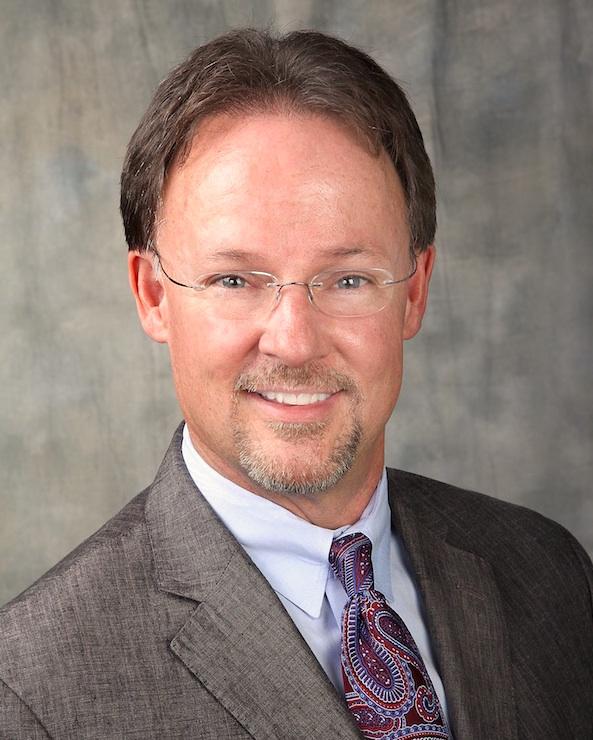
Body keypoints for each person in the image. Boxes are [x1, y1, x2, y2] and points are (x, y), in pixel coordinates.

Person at [0, 28, 591, 740]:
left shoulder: (548, 573)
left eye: (348, 279)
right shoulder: (32, 687)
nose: (294, 340)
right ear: (153, 296)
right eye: (233, 280)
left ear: (414, 292)